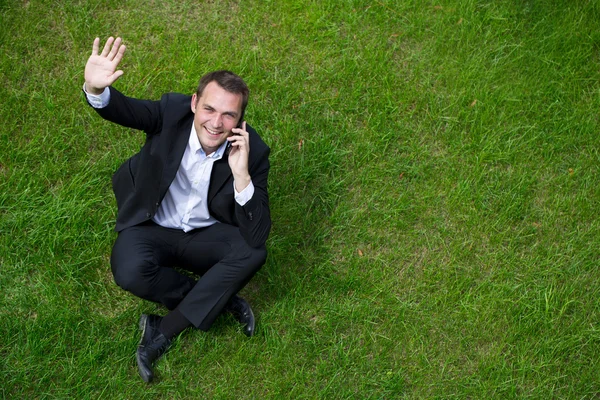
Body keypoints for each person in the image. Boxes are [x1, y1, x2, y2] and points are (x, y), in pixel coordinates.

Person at [83, 37, 271, 383]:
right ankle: (219, 298)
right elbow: (125, 110)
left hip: (203, 234)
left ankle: (163, 330)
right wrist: (96, 89)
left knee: (252, 252)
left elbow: (257, 235)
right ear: (195, 103)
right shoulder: (170, 113)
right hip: (152, 224)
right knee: (129, 270)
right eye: (210, 109)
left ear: (240, 119)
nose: (216, 123)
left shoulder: (252, 150)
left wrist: (242, 175)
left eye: (229, 115)